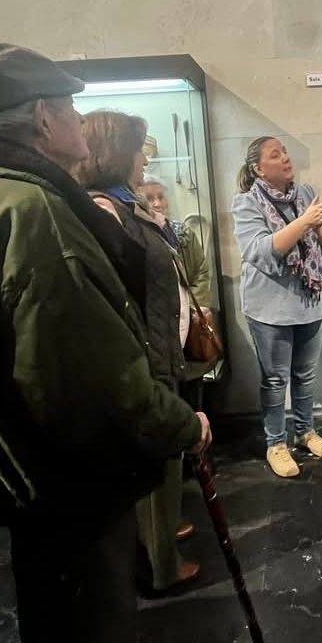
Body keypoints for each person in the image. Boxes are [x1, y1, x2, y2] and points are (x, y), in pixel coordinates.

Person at [0, 42, 210, 643]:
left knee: (54, 621)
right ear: (42, 117)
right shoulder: (36, 213)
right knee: (91, 631)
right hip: (67, 477)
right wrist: (181, 425)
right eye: (68, 107)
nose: (78, 121)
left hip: (11, 464)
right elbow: (93, 379)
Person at [78, 111, 201, 592]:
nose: (143, 160)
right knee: (155, 462)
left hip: (157, 348)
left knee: (164, 465)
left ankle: (160, 543)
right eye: (137, 150)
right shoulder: (105, 210)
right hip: (144, 356)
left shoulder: (124, 204)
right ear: (115, 154)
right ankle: (159, 567)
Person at [233, 136, 322, 478]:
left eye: (284, 151)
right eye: (275, 154)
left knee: (305, 375)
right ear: (258, 168)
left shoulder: (306, 194)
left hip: (310, 301)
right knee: (275, 379)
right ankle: (276, 444)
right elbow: (261, 252)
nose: (285, 158)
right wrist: (305, 221)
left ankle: (305, 431)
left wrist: (319, 225)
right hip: (269, 308)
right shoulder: (246, 203)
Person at [140, 173, 213, 308]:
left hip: (189, 309)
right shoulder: (137, 237)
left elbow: (200, 271)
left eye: (161, 197)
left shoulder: (183, 233)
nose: (158, 204)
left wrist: (192, 307)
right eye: (149, 198)